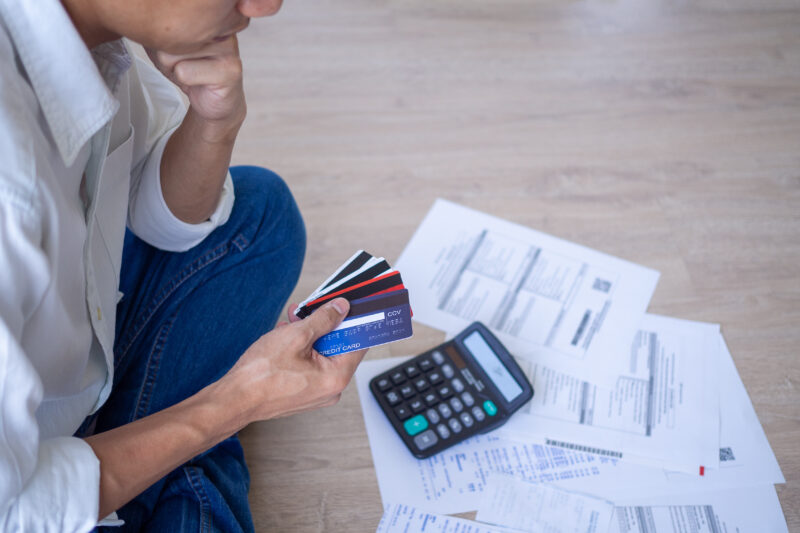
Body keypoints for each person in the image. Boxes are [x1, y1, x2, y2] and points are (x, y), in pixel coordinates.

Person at [0, 0, 367, 531]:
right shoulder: (9, 187)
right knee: (203, 451)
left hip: (59, 392)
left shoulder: (91, 38)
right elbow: (14, 512)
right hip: (23, 486)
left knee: (261, 212)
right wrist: (232, 404)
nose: (265, 7)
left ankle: (152, 451)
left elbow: (159, 222)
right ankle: (181, 462)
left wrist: (215, 119)